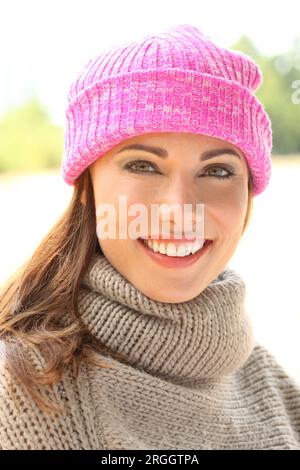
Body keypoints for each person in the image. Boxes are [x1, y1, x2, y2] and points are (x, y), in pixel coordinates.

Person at [0, 23, 299, 450]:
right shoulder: (24, 392)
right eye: (143, 165)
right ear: (88, 187)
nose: (179, 210)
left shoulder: (270, 384)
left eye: (217, 171)